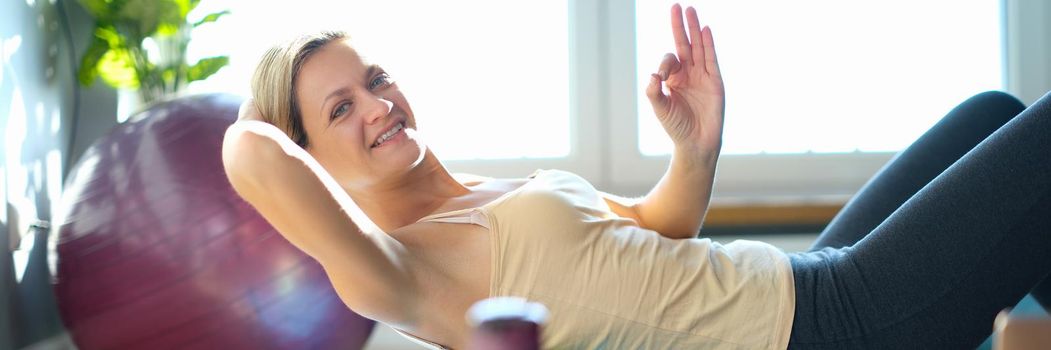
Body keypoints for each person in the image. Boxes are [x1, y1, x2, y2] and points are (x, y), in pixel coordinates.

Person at [222, 4, 1051, 349]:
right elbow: (246, 154)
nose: (377, 105)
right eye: (338, 111)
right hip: (828, 328)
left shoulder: (479, 190)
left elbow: (657, 235)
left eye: (375, 78)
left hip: (799, 284)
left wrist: (695, 148)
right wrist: (257, 123)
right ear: (309, 157)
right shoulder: (400, 272)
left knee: (990, 109)